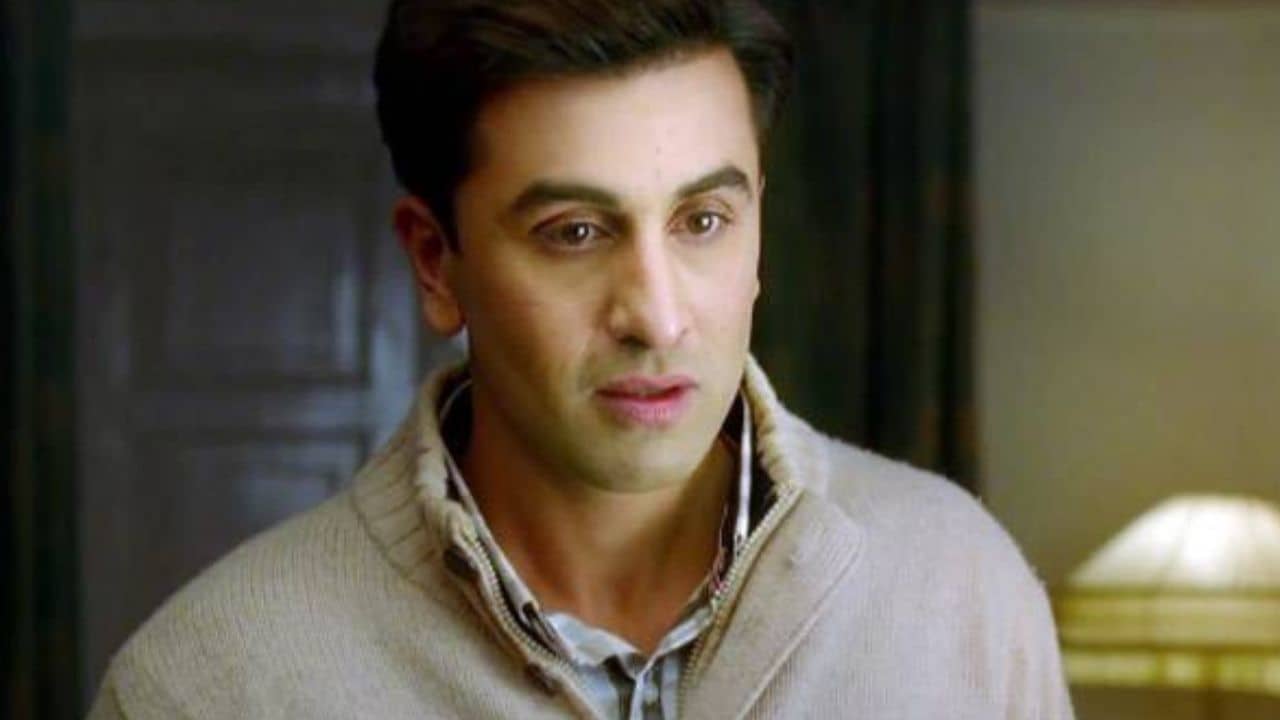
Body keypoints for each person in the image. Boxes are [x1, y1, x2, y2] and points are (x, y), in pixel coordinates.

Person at [87, 1, 1074, 718]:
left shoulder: (960, 589)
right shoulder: (208, 683)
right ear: (435, 262)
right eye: (574, 232)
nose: (657, 317)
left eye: (702, 220)